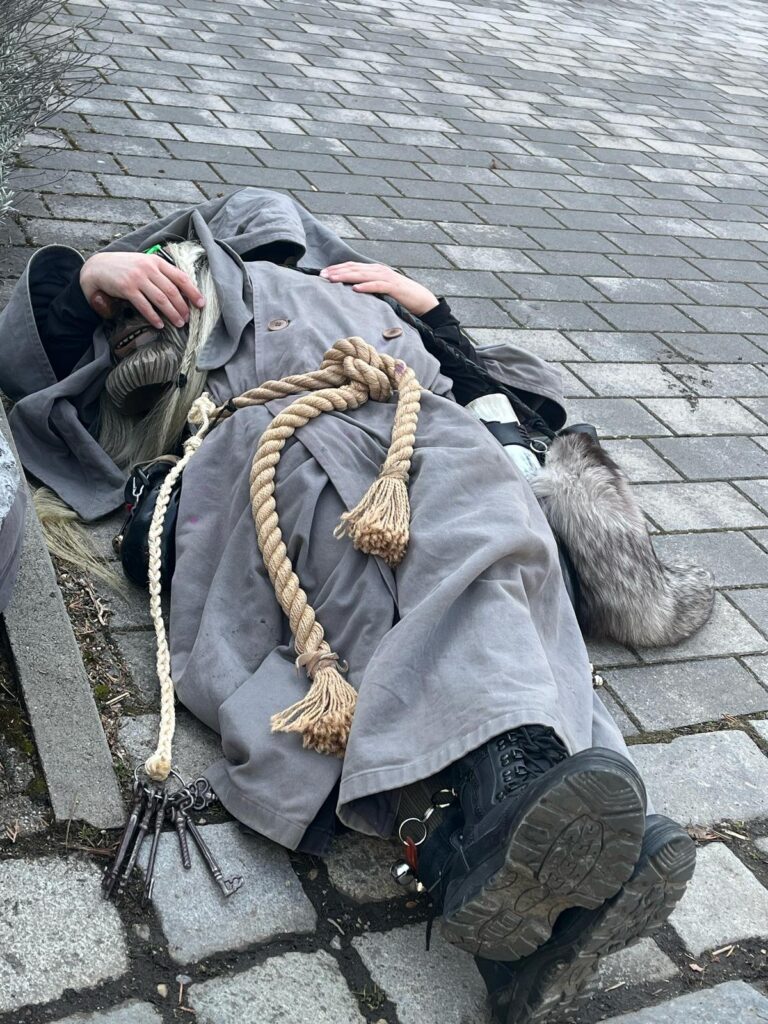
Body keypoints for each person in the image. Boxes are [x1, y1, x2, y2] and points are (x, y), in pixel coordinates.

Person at [0, 189, 698, 1022]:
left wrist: (434, 315)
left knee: (499, 538)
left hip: (424, 432)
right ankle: (544, 842)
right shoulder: (175, 280)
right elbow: (37, 368)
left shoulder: (375, 297)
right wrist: (89, 280)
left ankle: (489, 862)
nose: (284, 232)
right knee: (376, 572)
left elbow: (511, 415)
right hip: (268, 442)